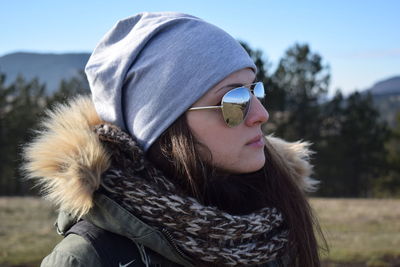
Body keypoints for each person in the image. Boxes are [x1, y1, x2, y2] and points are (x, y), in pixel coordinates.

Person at [23, 12, 326, 267]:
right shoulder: (90, 258)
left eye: (254, 91)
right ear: (165, 126)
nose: (261, 114)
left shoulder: (272, 223)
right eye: (234, 100)